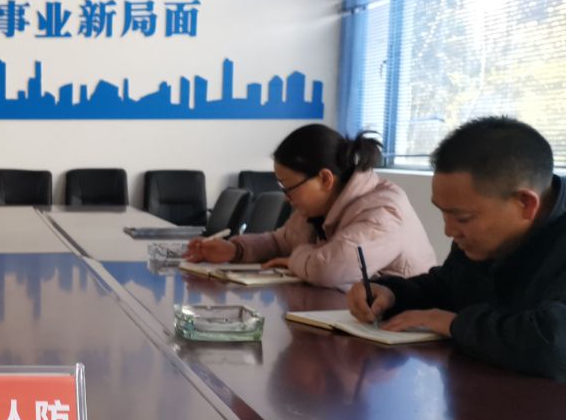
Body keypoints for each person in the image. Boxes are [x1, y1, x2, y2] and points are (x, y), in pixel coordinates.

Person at [348, 117, 566, 381]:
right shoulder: (480, 238)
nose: (449, 231)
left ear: (525, 204)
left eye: (462, 218)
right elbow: (448, 287)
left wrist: (453, 323)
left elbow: (554, 345)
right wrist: (392, 293)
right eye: (444, 213)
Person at [185, 124, 436, 289]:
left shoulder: (383, 210)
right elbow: (280, 242)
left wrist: (294, 259)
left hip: (402, 335)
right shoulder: (318, 208)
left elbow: (328, 268)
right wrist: (235, 249)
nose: (286, 198)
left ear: (325, 179)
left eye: (289, 187)